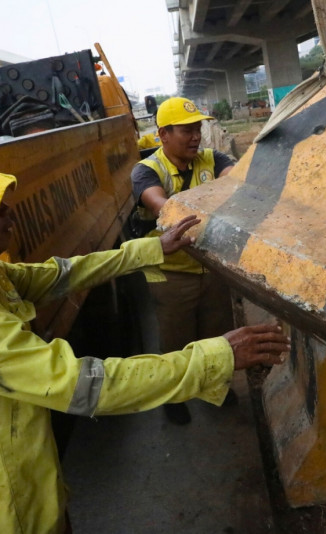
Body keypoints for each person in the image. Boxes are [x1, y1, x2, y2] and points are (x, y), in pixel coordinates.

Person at [0, 140, 290, 533]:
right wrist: (217, 356)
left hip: (24, 487)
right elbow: (86, 386)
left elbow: (62, 275)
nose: (7, 209)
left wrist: (149, 249)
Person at [130, 97, 236, 425]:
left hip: (212, 267)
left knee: (217, 333)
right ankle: (174, 397)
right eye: (186, 130)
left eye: (198, 128)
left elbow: (236, 180)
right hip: (171, 274)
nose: (196, 136)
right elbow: (159, 205)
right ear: (163, 134)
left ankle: (215, 389)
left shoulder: (212, 159)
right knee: (177, 339)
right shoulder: (147, 171)